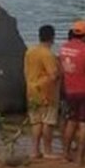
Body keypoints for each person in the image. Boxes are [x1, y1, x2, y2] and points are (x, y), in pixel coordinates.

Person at [59, 20, 85, 165]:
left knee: (71, 121)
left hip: (69, 90)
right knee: (84, 124)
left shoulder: (64, 48)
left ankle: (65, 154)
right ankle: (80, 158)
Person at [24, 24, 60, 160]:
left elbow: (26, 72)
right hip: (46, 93)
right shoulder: (48, 54)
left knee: (36, 122)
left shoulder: (29, 51)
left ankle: (34, 151)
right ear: (52, 37)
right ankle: (47, 150)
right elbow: (53, 75)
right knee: (48, 122)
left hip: (31, 90)